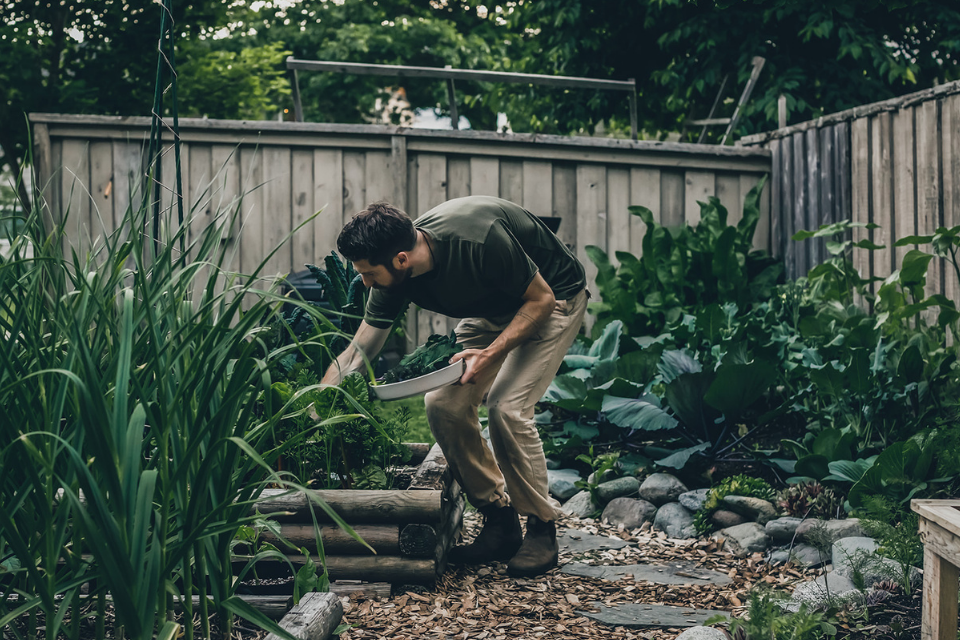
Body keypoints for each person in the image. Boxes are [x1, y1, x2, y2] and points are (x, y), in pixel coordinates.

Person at [320, 195, 587, 577]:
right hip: (494, 310)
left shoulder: (479, 240)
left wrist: (490, 353)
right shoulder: (389, 272)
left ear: (401, 260)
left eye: (368, 274)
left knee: (507, 408)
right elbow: (357, 352)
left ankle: (542, 528)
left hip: (552, 297)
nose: (364, 283)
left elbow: (540, 300)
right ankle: (499, 520)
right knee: (443, 405)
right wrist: (316, 401)